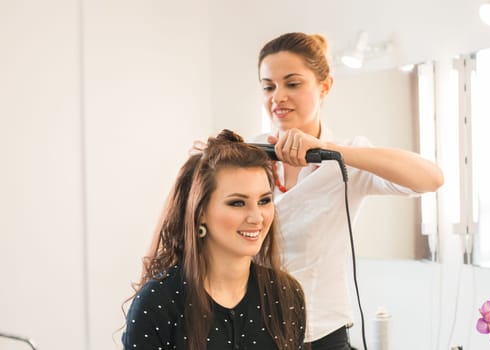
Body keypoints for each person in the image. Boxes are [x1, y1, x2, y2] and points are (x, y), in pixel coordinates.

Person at [251, 32, 444, 349]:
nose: (278, 97)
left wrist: (328, 149)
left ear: (324, 87)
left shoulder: (349, 161)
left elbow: (431, 179)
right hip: (253, 329)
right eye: (268, 86)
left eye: (292, 84)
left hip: (321, 332)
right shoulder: (250, 155)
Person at [122, 129, 307, 350]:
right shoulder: (157, 302)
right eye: (237, 203)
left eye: (264, 201)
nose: (257, 217)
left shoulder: (286, 293)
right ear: (200, 212)